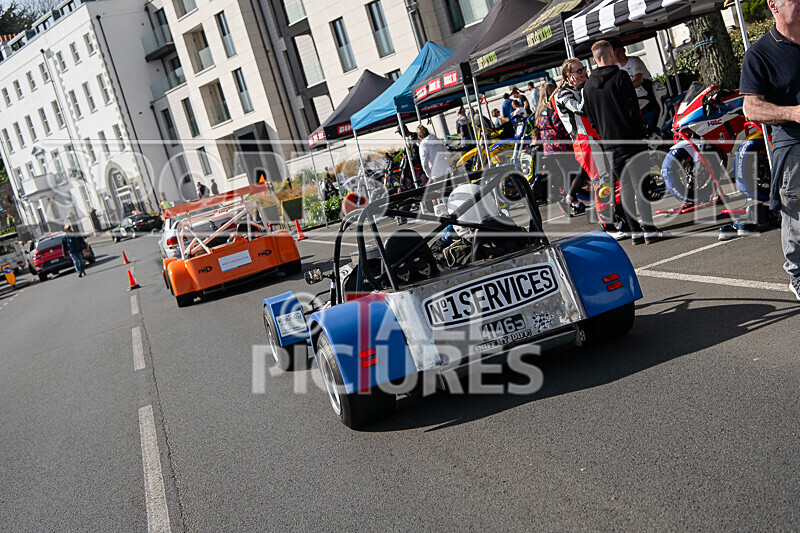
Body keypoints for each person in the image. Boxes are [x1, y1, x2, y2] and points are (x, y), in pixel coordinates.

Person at [739, 0, 800, 300]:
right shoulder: (760, 53)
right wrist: (793, 113)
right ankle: (798, 274)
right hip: (793, 144)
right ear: (773, 5)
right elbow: (751, 107)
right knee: (797, 214)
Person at [582, 40, 663, 245]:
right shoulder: (620, 77)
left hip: (609, 142)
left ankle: (635, 231)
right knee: (639, 184)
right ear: (611, 54)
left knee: (625, 186)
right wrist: (641, 133)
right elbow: (632, 109)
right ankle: (649, 229)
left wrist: (604, 135)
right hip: (630, 138)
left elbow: (591, 119)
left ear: (594, 60)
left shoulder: (588, 86)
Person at [536, 81, 586, 215]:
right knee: (580, 170)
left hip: (550, 148)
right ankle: (568, 200)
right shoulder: (552, 108)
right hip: (562, 145)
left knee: (566, 173)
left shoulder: (540, 110)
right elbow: (559, 125)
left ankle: (574, 203)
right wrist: (570, 133)